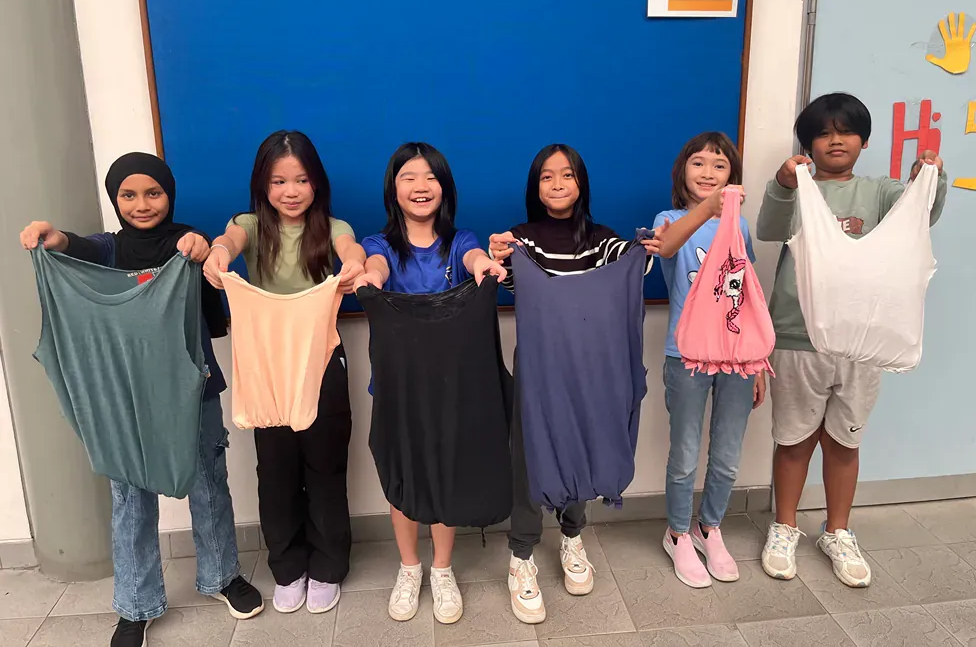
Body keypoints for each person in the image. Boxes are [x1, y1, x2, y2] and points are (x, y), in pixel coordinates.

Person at [19, 152, 263, 647]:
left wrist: (200, 245)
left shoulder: (184, 241)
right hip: (125, 396)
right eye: (128, 195)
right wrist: (52, 237)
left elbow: (200, 246)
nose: (141, 204)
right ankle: (135, 604)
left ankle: (222, 577)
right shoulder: (107, 250)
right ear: (115, 200)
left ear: (169, 195)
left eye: (153, 192)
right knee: (130, 495)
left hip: (193, 388)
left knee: (208, 479)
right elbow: (76, 246)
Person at [756, 93, 947, 588]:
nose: (834, 140)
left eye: (845, 131)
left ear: (862, 141)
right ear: (808, 144)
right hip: (797, 336)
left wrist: (931, 178)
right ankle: (785, 526)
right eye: (822, 132)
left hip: (864, 340)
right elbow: (769, 229)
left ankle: (837, 530)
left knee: (844, 439)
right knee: (794, 439)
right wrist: (780, 185)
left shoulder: (880, 192)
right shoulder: (799, 189)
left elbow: (918, 217)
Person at [488, 143, 653, 624]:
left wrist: (672, 233)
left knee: (581, 445)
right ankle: (521, 557)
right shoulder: (524, 238)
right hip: (539, 370)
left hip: (591, 369)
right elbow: (510, 278)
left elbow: (634, 264)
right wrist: (501, 254)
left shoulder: (602, 241)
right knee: (530, 457)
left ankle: (573, 534)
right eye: (546, 176)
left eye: (566, 175)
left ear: (581, 183)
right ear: (534, 187)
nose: (557, 184)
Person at [204, 130, 365, 614]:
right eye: (278, 181)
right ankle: (287, 568)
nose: (290, 191)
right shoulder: (250, 225)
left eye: (301, 180)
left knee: (325, 468)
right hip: (268, 364)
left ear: (317, 184)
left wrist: (354, 265)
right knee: (275, 472)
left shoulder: (333, 226)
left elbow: (351, 249)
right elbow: (228, 240)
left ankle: (329, 567)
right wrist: (218, 255)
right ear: (263, 185)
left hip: (322, 362)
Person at [353, 142, 506, 625]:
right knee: (403, 472)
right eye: (408, 177)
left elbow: (477, 258)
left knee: (443, 472)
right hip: (397, 385)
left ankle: (442, 568)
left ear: (444, 186)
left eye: (430, 177)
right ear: (393, 188)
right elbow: (372, 267)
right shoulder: (380, 246)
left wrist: (484, 268)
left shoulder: (460, 242)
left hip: (449, 389)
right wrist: (368, 279)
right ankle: (409, 567)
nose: (420, 187)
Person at [646, 132, 765, 589]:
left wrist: (757, 361)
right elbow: (669, 247)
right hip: (688, 356)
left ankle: (709, 528)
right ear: (682, 172)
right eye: (699, 163)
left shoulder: (743, 227)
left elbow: (749, 292)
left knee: (728, 454)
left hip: (737, 358)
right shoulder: (670, 218)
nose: (709, 173)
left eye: (720, 166)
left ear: (732, 175)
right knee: (685, 455)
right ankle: (677, 534)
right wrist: (710, 208)